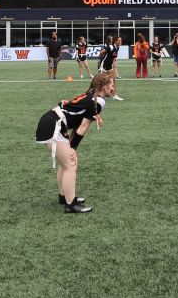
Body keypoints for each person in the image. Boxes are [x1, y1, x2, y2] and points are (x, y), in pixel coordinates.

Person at [34, 72, 116, 214]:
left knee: (67, 163)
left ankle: (64, 196)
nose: (113, 87)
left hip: (52, 122)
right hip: (54, 125)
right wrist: (73, 147)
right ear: (104, 86)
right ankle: (70, 204)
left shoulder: (91, 95)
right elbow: (83, 126)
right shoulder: (98, 101)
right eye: (112, 84)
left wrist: (72, 146)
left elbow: (77, 125)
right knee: (70, 165)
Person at [97, 35, 124, 101]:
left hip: (109, 66)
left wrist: (113, 63)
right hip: (103, 66)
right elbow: (101, 53)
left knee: (113, 81)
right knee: (102, 82)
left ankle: (115, 96)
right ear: (115, 41)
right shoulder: (111, 47)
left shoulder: (117, 48)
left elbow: (113, 57)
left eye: (121, 40)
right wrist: (99, 62)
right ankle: (98, 96)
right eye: (119, 40)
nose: (120, 41)